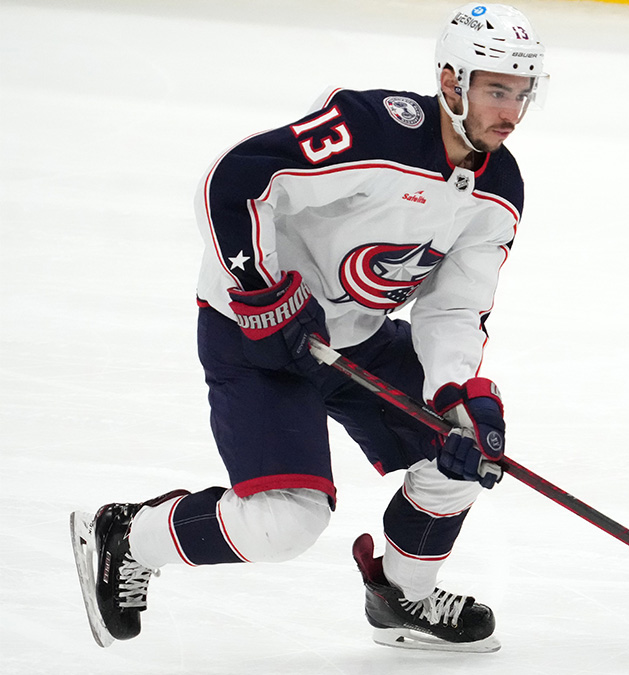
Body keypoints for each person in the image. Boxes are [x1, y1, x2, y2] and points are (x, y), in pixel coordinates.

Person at [69, 3, 547, 654]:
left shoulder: (501, 188)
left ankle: (401, 596)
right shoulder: (374, 130)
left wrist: (456, 393)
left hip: (352, 338)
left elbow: (454, 308)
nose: (511, 111)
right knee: (285, 524)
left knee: (462, 448)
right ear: (450, 82)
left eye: (522, 93)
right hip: (257, 334)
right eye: (496, 90)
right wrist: (262, 290)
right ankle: (129, 536)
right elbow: (238, 180)